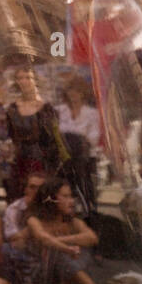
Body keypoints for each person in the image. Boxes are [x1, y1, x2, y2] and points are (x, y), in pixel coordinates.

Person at [27, 178, 121, 284]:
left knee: (76, 248)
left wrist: (62, 241)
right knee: (59, 250)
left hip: (71, 278)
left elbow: (92, 238)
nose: (71, 201)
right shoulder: (35, 220)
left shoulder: (74, 222)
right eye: (65, 196)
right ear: (51, 199)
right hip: (45, 279)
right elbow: (44, 239)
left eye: (71, 196)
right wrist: (66, 247)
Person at [7, 66, 66, 198]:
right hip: (21, 160)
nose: (24, 81)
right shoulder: (12, 109)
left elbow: (55, 139)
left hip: (43, 160)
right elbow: (11, 136)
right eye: (20, 78)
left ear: (35, 80)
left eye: (28, 77)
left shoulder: (47, 108)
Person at [57, 75, 101, 214]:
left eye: (77, 91)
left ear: (83, 93)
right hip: (64, 159)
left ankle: (88, 213)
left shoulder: (92, 113)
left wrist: (74, 136)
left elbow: (93, 137)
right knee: (64, 189)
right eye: (70, 91)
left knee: (85, 189)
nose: (73, 94)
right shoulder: (59, 110)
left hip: (84, 158)